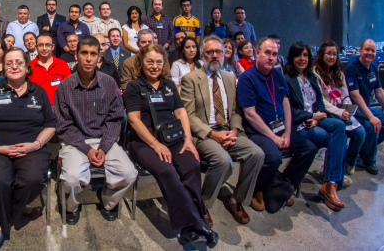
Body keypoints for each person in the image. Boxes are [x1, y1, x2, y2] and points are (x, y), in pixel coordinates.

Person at [124, 43, 218, 247]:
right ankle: (197, 222)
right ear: (141, 62)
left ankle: (190, 227)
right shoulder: (134, 86)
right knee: (167, 171)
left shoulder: (168, 85)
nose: (155, 66)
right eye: (150, 61)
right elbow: (134, 120)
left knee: (192, 165)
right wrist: (156, 144)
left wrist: (187, 139)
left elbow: (181, 112)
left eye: (159, 62)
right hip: (143, 142)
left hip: (174, 137)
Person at [0, 47, 56, 250]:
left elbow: (51, 125)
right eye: (9, 62)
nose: (14, 66)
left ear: (27, 66)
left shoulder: (39, 91)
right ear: (3, 67)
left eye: (19, 62)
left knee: (33, 180)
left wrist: (35, 145)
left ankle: (2, 217)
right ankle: (8, 221)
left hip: (32, 148)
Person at [181, 35, 264, 225]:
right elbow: (188, 115)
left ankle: (236, 199)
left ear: (224, 55)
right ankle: (203, 203)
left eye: (218, 51)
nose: (215, 55)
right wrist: (213, 134)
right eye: (210, 52)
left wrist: (234, 130)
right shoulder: (190, 79)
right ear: (202, 55)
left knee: (257, 154)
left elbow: (235, 110)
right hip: (204, 133)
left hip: (228, 130)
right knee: (223, 160)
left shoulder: (230, 77)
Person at [54, 36, 136, 225]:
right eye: (84, 53)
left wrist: (105, 146)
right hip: (75, 142)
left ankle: (108, 200)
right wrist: (87, 149)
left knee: (129, 174)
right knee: (72, 179)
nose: (89, 58)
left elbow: (115, 118)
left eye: (93, 54)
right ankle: (72, 206)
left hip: (104, 139)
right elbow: (64, 125)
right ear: (76, 55)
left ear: (99, 56)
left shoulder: (109, 83)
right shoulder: (64, 87)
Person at [237, 37, 317, 213]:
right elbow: (250, 114)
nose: (271, 57)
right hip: (258, 131)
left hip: (280, 128)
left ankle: (279, 187)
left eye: (274, 54)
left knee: (309, 148)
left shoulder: (278, 75)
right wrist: (273, 137)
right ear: (257, 53)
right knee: (274, 157)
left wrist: (288, 132)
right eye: (267, 53)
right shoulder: (247, 78)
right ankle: (257, 189)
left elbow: (286, 103)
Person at [283, 42, 347, 211]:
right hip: (300, 123)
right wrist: (311, 116)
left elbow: (319, 102)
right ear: (291, 58)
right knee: (333, 138)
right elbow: (289, 111)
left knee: (339, 126)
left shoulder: (311, 76)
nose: (302, 59)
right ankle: (331, 185)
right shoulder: (286, 79)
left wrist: (317, 118)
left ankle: (329, 184)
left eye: (305, 55)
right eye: (298, 55)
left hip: (317, 119)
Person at [312, 41, 367, 179]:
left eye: (335, 54)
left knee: (361, 133)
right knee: (340, 132)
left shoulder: (339, 73)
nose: (332, 57)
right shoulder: (315, 73)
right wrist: (338, 112)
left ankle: (349, 163)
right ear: (321, 55)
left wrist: (348, 108)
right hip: (328, 112)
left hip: (342, 111)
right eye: (328, 54)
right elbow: (321, 100)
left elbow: (345, 95)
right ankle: (336, 175)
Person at [344, 39, 384, 175]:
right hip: (353, 109)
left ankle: (364, 149)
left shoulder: (373, 68)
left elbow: (379, 92)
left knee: (381, 122)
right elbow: (355, 96)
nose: (370, 53)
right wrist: (371, 117)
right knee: (372, 126)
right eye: (367, 49)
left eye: (372, 50)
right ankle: (369, 160)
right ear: (360, 51)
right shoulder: (351, 69)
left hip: (365, 107)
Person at [29, 33, 71, 105]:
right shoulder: (29, 66)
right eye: (41, 45)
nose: (44, 48)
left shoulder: (62, 65)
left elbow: (69, 88)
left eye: (47, 45)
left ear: (53, 47)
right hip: (38, 108)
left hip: (58, 107)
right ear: (36, 47)